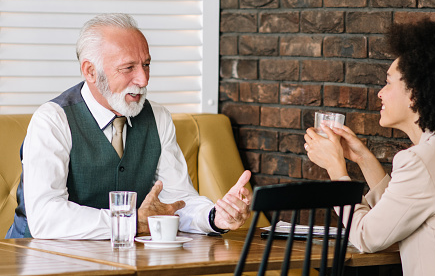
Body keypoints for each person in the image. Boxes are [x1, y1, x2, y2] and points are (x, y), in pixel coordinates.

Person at [6, 13, 251, 239]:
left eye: (146, 64)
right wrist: (130, 222)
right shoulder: (52, 120)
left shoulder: (158, 117)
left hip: (120, 262)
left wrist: (215, 217)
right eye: (128, 68)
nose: (143, 79)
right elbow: (46, 217)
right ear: (90, 71)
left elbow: (177, 201)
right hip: (38, 261)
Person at [304, 20, 435, 275]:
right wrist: (363, 158)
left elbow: (367, 237)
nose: (380, 94)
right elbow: (401, 212)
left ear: (415, 93)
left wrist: (335, 169)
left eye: (388, 82)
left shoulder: (422, 160)